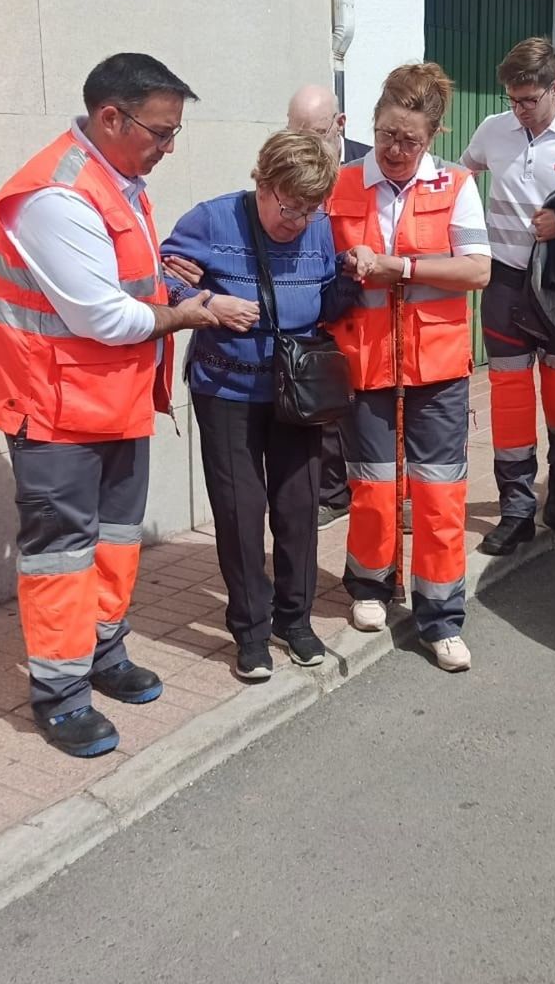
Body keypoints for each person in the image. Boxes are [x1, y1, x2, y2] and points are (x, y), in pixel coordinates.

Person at [0, 52, 221, 758]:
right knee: (61, 553)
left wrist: (165, 281)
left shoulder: (121, 179)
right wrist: (190, 314)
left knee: (115, 541)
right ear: (110, 116)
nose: (168, 146)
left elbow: (121, 284)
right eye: (161, 131)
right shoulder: (55, 195)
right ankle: (60, 694)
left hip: (112, 400)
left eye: (174, 132)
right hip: (54, 410)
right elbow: (102, 318)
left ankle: (104, 652)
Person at [159, 130, 353, 680]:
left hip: (297, 394)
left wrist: (350, 274)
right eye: (289, 208)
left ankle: (296, 621)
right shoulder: (212, 221)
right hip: (227, 393)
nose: (297, 222)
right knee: (242, 516)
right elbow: (158, 277)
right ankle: (249, 629)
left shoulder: (318, 228)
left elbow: (331, 300)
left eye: (310, 210)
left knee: (297, 510)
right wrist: (207, 302)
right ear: (263, 184)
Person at [326, 62, 492, 672]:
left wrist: (404, 268)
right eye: (388, 135)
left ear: (435, 136)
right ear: (374, 124)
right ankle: (369, 585)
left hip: (438, 365)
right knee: (370, 484)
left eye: (411, 140)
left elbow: (478, 270)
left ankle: (441, 615)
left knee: (440, 493)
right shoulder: (340, 184)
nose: (396, 150)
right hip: (364, 359)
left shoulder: (454, 185)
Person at [460, 37, 555, 556]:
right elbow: (463, 179)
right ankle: (517, 510)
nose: (519, 111)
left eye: (529, 100)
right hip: (503, 280)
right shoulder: (493, 130)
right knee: (509, 396)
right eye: (512, 100)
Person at [288, 83, 371, 528]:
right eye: (295, 132)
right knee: (318, 400)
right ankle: (331, 491)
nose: (303, 144)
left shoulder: (368, 167)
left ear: (339, 125)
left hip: (361, 301)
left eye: (315, 133)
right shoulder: (289, 164)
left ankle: (384, 491)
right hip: (311, 301)